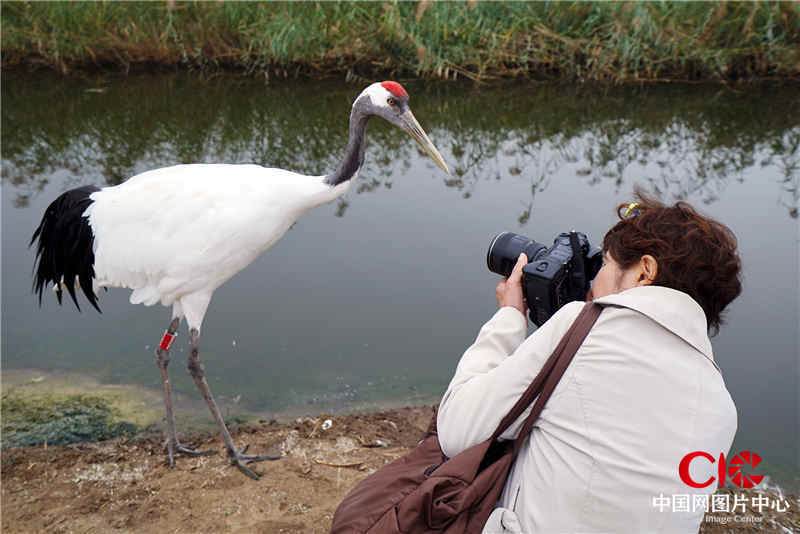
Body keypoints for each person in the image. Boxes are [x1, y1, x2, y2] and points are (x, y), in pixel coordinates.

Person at [437, 191, 742, 534]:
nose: (594, 282)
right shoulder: (722, 407)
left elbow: (455, 430)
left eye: (606, 264)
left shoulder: (584, 331)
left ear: (644, 272)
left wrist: (509, 317)